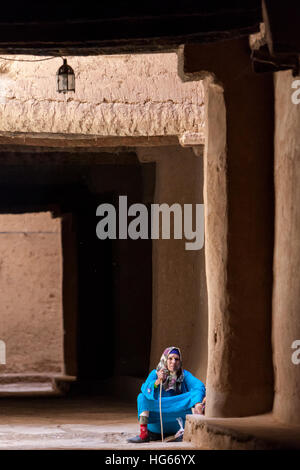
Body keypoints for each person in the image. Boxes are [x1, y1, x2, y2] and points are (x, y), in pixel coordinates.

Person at [127, 346, 206, 443]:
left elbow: (199, 386)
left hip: (178, 422)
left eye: (176, 359)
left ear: (180, 361)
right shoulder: (155, 373)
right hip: (157, 424)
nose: (173, 362)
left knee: (195, 395)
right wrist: (157, 381)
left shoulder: (184, 375)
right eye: (170, 358)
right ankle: (144, 434)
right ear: (165, 359)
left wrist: (197, 402)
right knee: (142, 397)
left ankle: (187, 432)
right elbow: (145, 389)